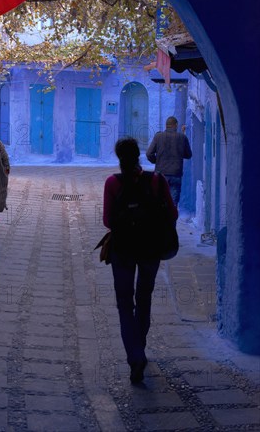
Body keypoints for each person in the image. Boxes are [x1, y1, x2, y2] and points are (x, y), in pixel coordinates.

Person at [103, 137, 178, 384]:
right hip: (150, 249)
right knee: (144, 299)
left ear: (119, 158)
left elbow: (107, 220)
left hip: (122, 249)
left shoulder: (113, 183)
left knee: (125, 305)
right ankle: (140, 347)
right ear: (139, 156)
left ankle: (135, 356)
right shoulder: (157, 181)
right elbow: (172, 213)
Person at [146, 116, 192, 207]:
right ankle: (171, 221)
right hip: (176, 174)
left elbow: (149, 154)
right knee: (173, 204)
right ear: (176, 125)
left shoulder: (158, 136)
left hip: (160, 174)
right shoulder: (182, 137)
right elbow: (188, 155)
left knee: (159, 201)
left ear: (166, 126)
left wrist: (156, 161)